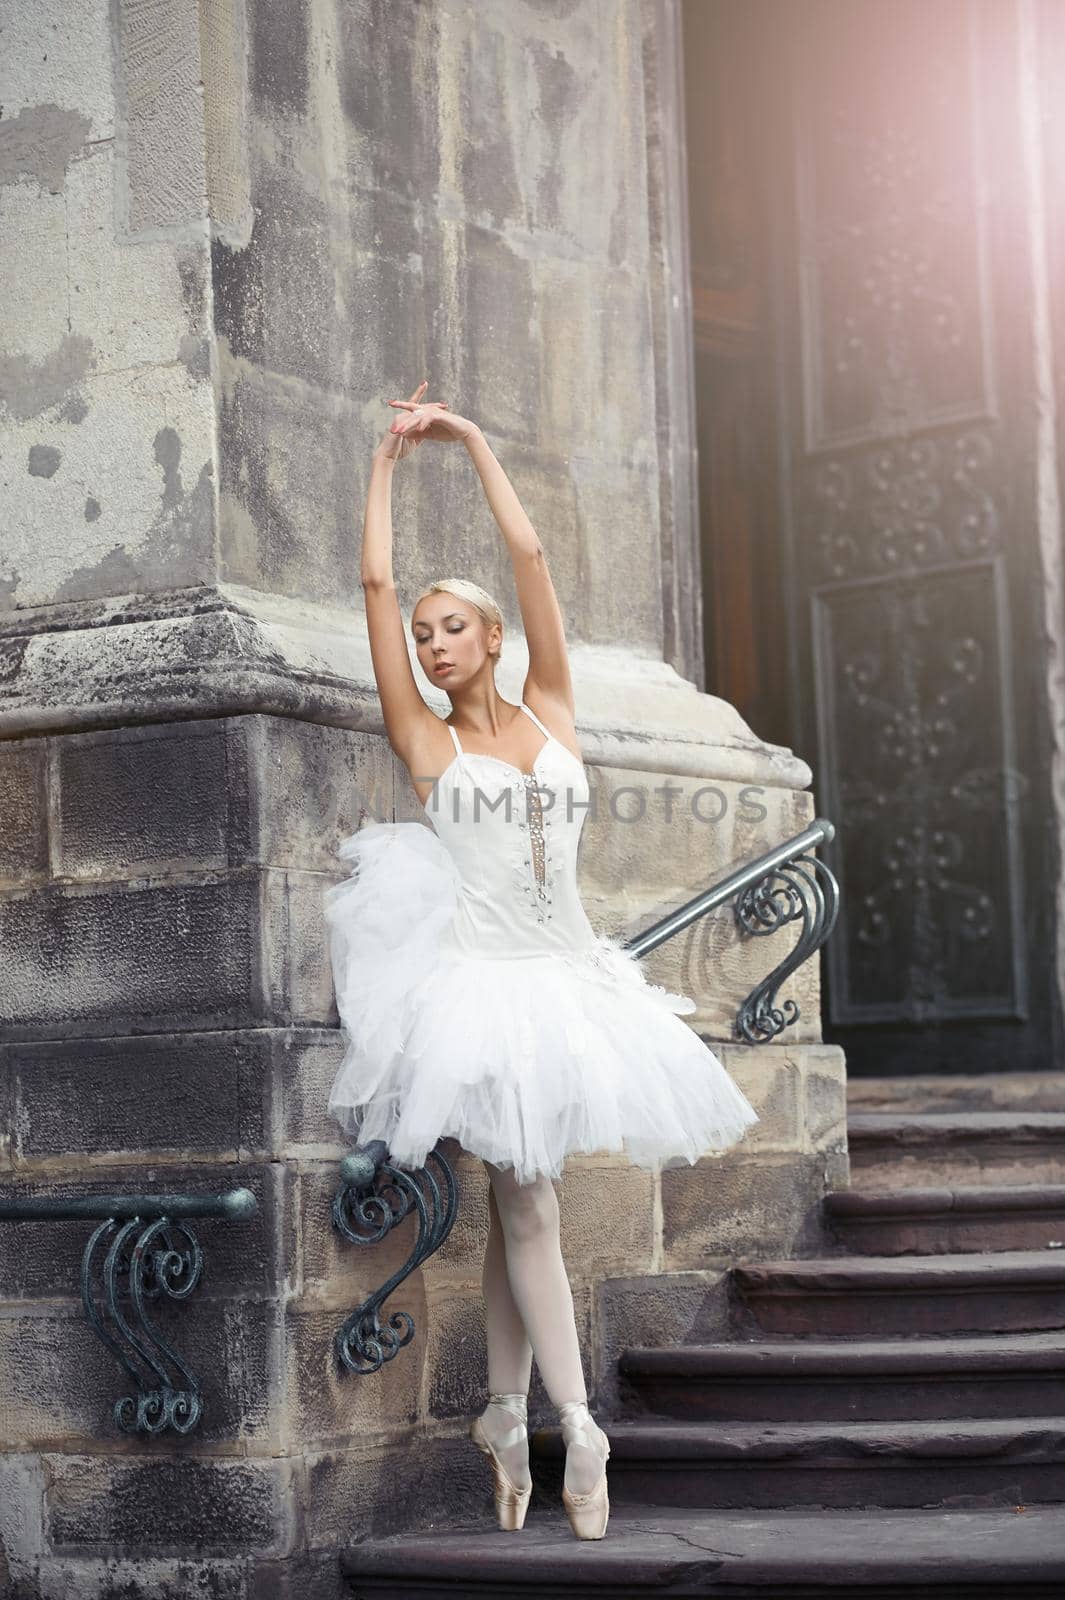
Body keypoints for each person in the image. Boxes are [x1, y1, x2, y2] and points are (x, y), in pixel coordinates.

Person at [324, 380, 760, 1540]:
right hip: (480, 991)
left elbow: (530, 556)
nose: (430, 641)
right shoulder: (423, 741)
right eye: (422, 635)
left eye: (450, 625)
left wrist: (467, 439)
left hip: (570, 985)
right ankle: (581, 1426)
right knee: (529, 1209)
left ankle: (508, 1419)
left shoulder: (555, 703)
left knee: (524, 1210)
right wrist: (382, 466)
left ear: (495, 638)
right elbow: (371, 585)